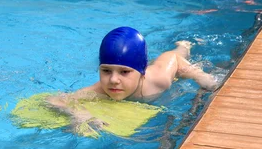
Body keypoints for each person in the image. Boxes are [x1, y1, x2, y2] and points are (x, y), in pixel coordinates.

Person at [46, 27, 218, 131]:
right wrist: (79, 114)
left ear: (141, 72)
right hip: (140, 67)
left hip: (167, 65)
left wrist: (199, 75)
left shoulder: (158, 80)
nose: (113, 80)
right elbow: (54, 100)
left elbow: (173, 59)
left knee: (179, 54)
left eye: (124, 72)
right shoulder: (99, 90)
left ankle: (185, 44)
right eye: (106, 70)